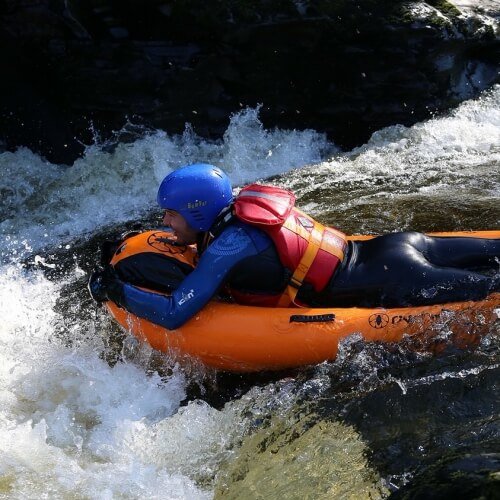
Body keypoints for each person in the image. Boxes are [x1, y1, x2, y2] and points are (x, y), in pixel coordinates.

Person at [88, 163, 500, 330]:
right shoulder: (244, 205)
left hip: (398, 277)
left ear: (197, 214)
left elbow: (175, 313)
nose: (164, 222)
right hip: (394, 247)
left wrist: (114, 290)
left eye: (171, 214)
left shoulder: (226, 247)